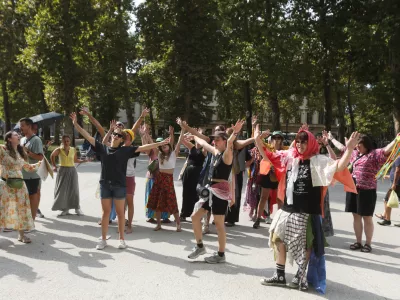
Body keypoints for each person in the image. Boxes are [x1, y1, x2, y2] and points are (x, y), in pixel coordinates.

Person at [257, 128, 359, 290]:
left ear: (311, 143)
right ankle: (280, 275)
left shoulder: (319, 161)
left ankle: (300, 275)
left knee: (304, 245)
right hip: (288, 209)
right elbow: (268, 156)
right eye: (298, 141)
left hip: (307, 211)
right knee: (277, 239)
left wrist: (350, 149)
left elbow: (339, 167)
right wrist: (257, 140)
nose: (300, 144)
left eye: (304, 141)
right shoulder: (290, 157)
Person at [70, 113, 169, 250]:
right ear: (111, 136)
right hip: (105, 184)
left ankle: (121, 239)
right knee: (105, 213)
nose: (116, 136)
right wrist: (75, 125)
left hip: (119, 186)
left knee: (121, 213)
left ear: (122, 140)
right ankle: (103, 239)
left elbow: (143, 148)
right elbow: (87, 136)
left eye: (119, 135)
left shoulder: (125, 151)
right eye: (115, 134)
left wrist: (160, 143)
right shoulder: (102, 148)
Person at [178, 118, 244, 264]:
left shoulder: (227, 154)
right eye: (214, 140)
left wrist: (234, 133)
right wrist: (193, 135)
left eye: (218, 140)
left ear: (225, 141)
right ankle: (200, 246)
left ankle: (221, 255)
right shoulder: (215, 152)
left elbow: (229, 143)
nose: (215, 142)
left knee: (219, 225)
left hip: (220, 193)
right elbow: (204, 143)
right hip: (210, 191)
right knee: (195, 217)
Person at [346, 134, 398, 253]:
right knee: (356, 216)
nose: (357, 146)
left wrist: (396, 139)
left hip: (367, 191)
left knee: (367, 217)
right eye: (356, 143)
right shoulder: (354, 154)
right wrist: (330, 140)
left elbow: (386, 149)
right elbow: (344, 148)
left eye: (359, 143)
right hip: (354, 189)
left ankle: (368, 243)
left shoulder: (374, 154)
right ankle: (358, 241)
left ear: (366, 144)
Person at [0, 131, 42, 243]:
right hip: (5, 184)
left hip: (20, 185)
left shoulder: (19, 152)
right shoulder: (2, 150)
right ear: (9, 139)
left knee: (21, 209)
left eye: (18, 135)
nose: (18, 136)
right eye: (15, 135)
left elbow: (27, 167)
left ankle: (21, 235)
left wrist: (40, 164)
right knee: (3, 209)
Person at [147, 125, 185, 231]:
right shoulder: (159, 155)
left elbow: (177, 142)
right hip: (160, 178)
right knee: (158, 202)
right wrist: (147, 134)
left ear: (169, 146)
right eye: (162, 146)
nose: (164, 147)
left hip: (168, 179)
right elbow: (153, 145)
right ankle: (159, 224)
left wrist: (177, 132)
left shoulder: (173, 154)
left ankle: (178, 224)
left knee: (172, 202)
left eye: (166, 146)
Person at [253, 130, 288, 229]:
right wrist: (259, 135)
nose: (276, 140)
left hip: (279, 176)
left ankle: (280, 221)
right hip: (267, 175)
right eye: (274, 138)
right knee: (263, 197)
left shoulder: (286, 149)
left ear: (282, 140)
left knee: (280, 199)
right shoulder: (268, 147)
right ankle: (258, 219)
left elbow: (295, 147)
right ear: (271, 139)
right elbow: (258, 143)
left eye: (279, 138)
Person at [50, 135, 86, 216]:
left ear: (70, 141)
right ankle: (65, 209)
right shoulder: (59, 149)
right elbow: (52, 155)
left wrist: (85, 160)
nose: (66, 142)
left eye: (68, 141)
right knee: (63, 190)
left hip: (72, 170)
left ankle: (77, 208)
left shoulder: (73, 149)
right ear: (62, 141)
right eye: (65, 141)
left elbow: (76, 160)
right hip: (62, 170)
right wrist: (54, 166)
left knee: (74, 189)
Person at [19, 118, 44, 221]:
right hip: (22, 173)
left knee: (33, 196)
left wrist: (27, 152)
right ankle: (26, 219)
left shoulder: (36, 140)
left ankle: (32, 220)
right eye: (20, 126)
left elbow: (40, 157)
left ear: (29, 126)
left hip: (33, 174)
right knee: (24, 197)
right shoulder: (22, 139)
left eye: (22, 126)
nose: (20, 128)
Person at [180, 131, 207, 221]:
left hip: (197, 173)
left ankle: (196, 214)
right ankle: (184, 213)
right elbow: (182, 139)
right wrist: (188, 132)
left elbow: (207, 141)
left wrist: (198, 135)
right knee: (186, 193)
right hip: (188, 172)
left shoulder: (204, 149)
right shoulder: (192, 147)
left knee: (196, 194)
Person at [376, 156, 400, 226]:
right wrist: (389, 176)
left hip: (397, 184)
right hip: (398, 183)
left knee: (387, 200)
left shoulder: (399, 158)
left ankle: (387, 219)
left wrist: (394, 184)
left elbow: (398, 171)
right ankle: (385, 217)